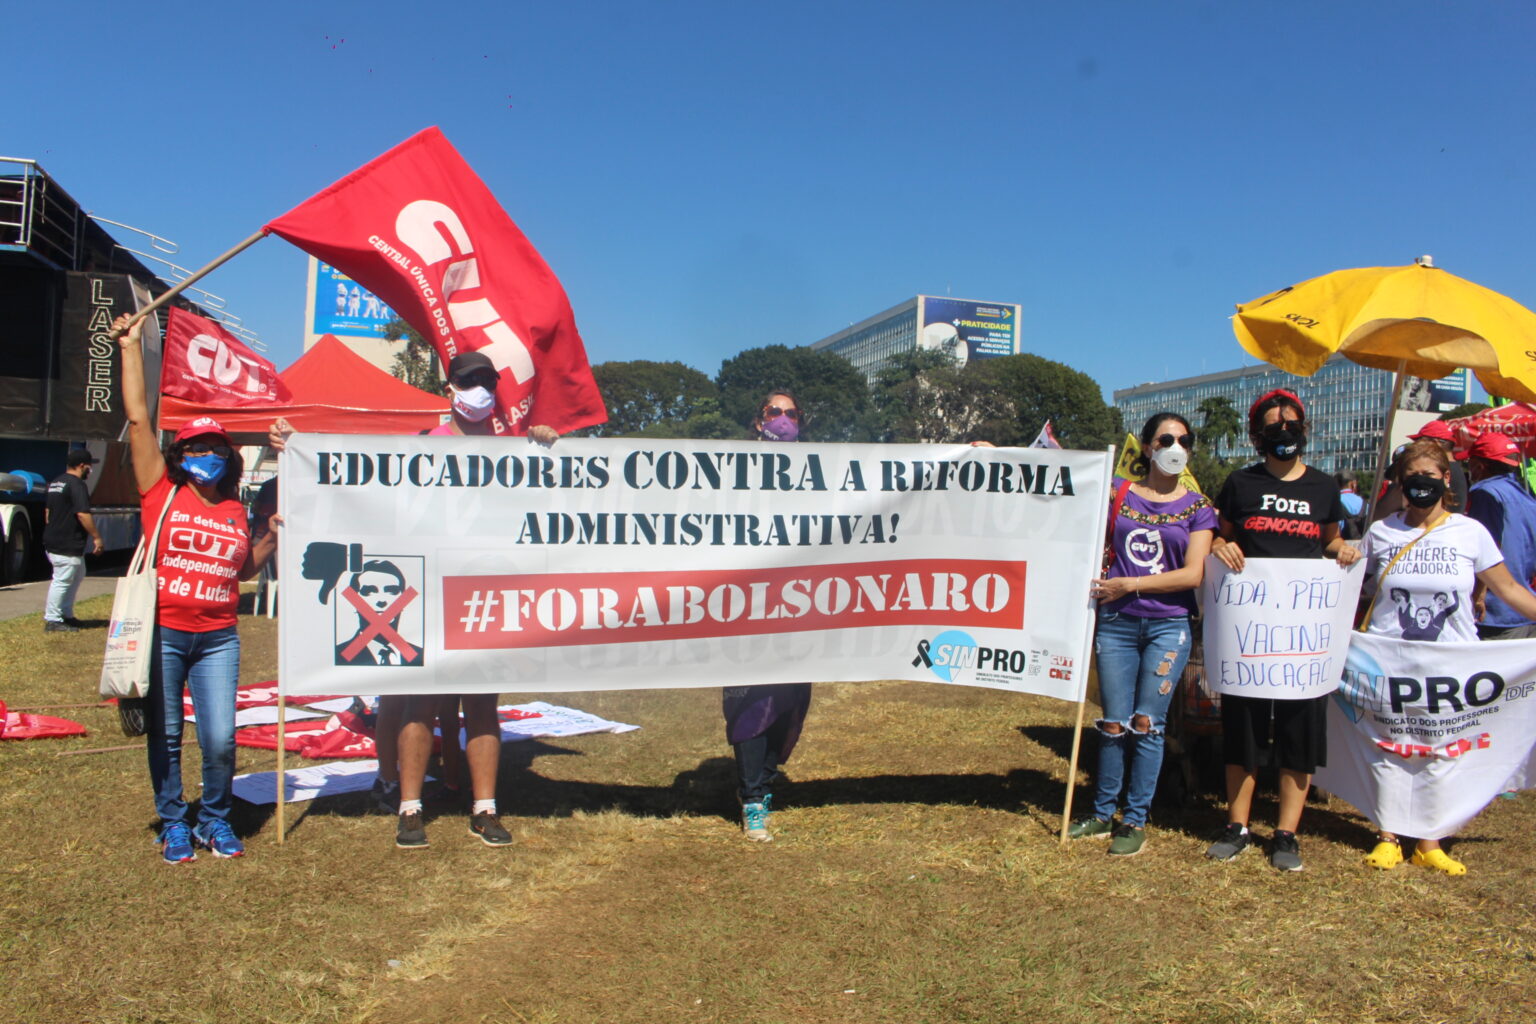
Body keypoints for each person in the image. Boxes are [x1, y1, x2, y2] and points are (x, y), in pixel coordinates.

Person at [113, 312, 278, 864]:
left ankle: (214, 818)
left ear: (228, 456)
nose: (205, 454)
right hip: (163, 632)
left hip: (218, 638)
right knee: (165, 736)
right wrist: (130, 348)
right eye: (194, 446)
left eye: (215, 447)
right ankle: (173, 823)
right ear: (180, 456)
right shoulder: (160, 491)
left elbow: (242, 571)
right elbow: (139, 420)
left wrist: (270, 538)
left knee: (220, 738)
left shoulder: (234, 508)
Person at [1355, 440, 1536, 874]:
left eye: (1430, 476)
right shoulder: (1381, 533)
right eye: (1412, 477)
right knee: (1391, 746)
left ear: (1446, 480)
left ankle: (1429, 841)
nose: (1422, 483)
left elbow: (1509, 588)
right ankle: (1388, 836)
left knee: (1442, 749)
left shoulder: (1471, 532)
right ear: (1400, 483)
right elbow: (1348, 583)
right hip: (1390, 660)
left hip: (1453, 664)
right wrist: (1339, 551)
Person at [1208, 389, 1360, 871]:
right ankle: (1237, 826)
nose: (1284, 433)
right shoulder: (1240, 483)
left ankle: (1286, 834)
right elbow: (1221, 536)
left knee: (1300, 735)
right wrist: (1219, 546)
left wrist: (1343, 551)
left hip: (1302, 639)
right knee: (1244, 731)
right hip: (1249, 635)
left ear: (1304, 430)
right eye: (1274, 427)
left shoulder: (1323, 487)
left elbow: (1329, 541)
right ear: (1259, 436)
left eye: (1291, 425)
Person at [1068, 413, 1216, 856]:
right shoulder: (1119, 493)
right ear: (1148, 447)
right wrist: (997, 455)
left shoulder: (1199, 507)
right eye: (1166, 439)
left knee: (1148, 723)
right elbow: (1062, 485)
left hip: (1169, 626)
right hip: (1117, 624)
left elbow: (1192, 574)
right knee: (1113, 723)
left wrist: (1129, 584)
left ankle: (1134, 819)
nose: (1175, 447)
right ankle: (1101, 813)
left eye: (1184, 440)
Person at [722, 389, 813, 841]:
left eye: (792, 413)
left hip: (799, 605)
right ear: (759, 421)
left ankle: (766, 779)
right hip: (746, 607)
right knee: (751, 701)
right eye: (775, 412)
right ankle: (752, 797)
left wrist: (972, 458)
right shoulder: (733, 467)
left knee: (790, 703)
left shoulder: (820, 471)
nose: (783, 419)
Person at [1460, 432, 1536, 640]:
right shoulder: (1525, 495)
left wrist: (1479, 594)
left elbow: (1485, 547)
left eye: (1469, 463)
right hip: (1525, 606)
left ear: (1479, 466)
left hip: (1494, 613)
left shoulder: (1485, 494)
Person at [42, 448, 103, 632]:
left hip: (56, 538)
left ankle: (66, 614)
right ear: (82, 466)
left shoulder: (56, 482)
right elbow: (83, 514)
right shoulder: (77, 485)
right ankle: (53, 619)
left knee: (77, 574)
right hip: (66, 541)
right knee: (62, 579)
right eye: (89, 467)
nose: (90, 471)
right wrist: (96, 537)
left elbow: (47, 512)